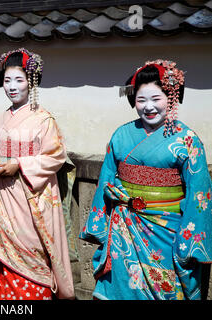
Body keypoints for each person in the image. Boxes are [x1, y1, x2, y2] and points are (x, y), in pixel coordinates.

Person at [80, 60, 212, 300]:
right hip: (123, 231)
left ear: (171, 97)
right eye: (141, 100)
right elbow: (105, 181)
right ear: (133, 101)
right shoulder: (121, 136)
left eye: (156, 99)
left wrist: (189, 243)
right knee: (121, 289)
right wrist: (100, 225)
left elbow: (199, 195)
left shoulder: (188, 141)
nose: (149, 107)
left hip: (167, 234)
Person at [0, 48, 75, 300]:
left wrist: (20, 164)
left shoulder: (44, 120)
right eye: (7, 81)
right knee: (3, 259)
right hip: (1, 198)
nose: (12, 87)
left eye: (18, 80)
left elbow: (56, 155)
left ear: (31, 82)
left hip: (29, 201)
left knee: (32, 255)